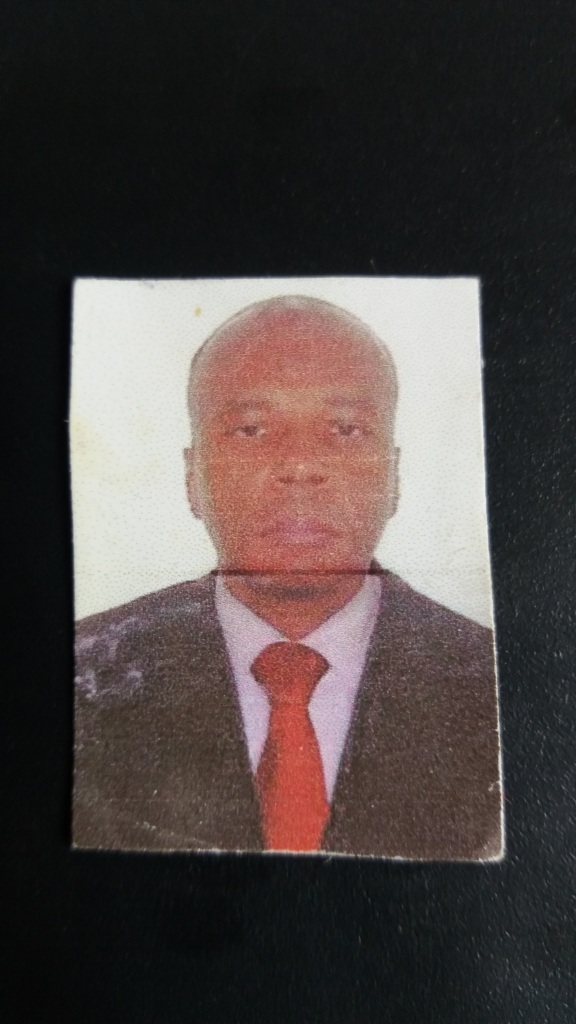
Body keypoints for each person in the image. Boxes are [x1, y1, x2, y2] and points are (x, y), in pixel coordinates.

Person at [73, 295, 503, 859]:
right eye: (252, 430)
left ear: (393, 476)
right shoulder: (78, 679)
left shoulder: (499, 688)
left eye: (345, 429)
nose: (299, 464)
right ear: (193, 477)